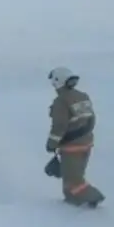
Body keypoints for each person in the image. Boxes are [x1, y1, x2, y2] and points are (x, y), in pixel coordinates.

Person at [45, 67, 105, 207]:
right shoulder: (83, 96)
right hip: (86, 144)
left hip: (72, 147)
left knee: (73, 180)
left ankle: (92, 197)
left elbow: (59, 125)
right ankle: (72, 201)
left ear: (58, 81)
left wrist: (52, 143)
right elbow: (92, 119)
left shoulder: (61, 101)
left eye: (53, 83)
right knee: (72, 176)